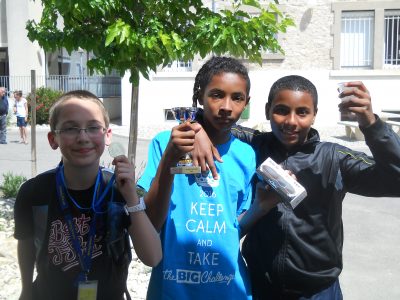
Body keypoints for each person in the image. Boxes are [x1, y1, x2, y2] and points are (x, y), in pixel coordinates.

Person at [193, 75, 400, 299]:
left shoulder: (333, 158)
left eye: (302, 112)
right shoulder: (254, 145)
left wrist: (371, 124)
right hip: (260, 286)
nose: (291, 121)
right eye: (281, 110)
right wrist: (197, 129)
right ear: (267, 110)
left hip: (318, 291)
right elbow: (214, 120)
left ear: (314, 115)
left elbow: (395, 180)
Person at [14, 90, 162, 300]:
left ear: (107, 135)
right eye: (70, 128)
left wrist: (131, 196)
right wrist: (26, 289)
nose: (82, 137)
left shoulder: (118, 191)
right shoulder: (33, 192)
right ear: (53, 138)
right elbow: (27, 246)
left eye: (93, 127)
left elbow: (153, 257)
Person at [137, 56, 256, 299]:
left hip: (229, 289)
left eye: (237, 98)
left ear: (247, 102)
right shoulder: (165, 143)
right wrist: (172, 157)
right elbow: (150, 221)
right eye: (216, 95)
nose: (226, 106)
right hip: (171, 288)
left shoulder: (246, 154)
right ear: (200, 96)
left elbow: (234, 224)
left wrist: (263, 204)